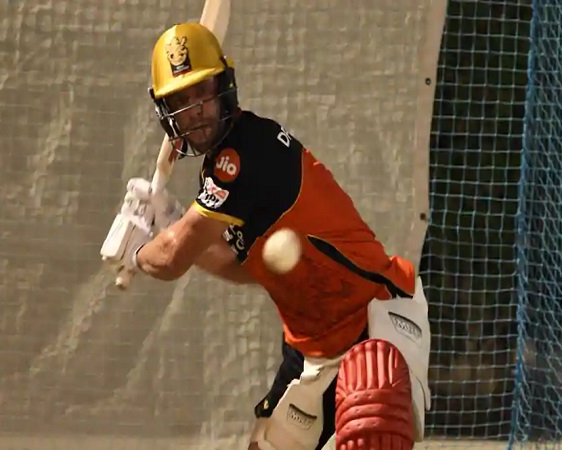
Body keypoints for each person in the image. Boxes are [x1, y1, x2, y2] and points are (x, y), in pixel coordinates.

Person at [101, 22, 431, 450]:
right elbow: (242, 267)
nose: (194, 110)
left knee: (373, 427)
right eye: (180, 100)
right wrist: (171, 222)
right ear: (166, 111)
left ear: (224, 86)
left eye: (202, 92)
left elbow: (171, 260)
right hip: (310, 346)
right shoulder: (219, 167)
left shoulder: (246, 153)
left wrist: (140, 251)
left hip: (371, 320)